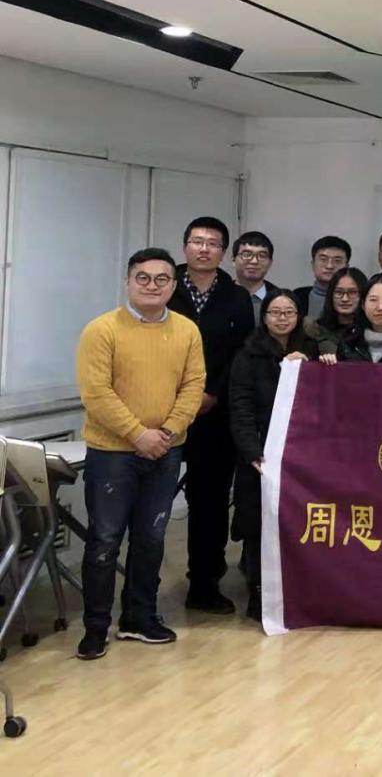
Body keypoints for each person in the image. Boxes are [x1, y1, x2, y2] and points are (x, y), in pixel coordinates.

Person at [74, 248, 205, 659]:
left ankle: (138, 618)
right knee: (104, 541)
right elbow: (96, 393)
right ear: (128, 282)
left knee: (151, 537)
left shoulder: (187, 330)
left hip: (166, 449)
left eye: (161, 279)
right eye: (143, 278)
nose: (152, 285)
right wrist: (137, 434)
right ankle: (96, 626)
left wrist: (166, 432)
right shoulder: (101, 330)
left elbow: (193, 386)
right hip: (112, 453)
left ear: (173, 285)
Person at [166, 216, 254, 616]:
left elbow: (241, 353)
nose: (204, 249)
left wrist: (213, 393)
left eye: (213, 243)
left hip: (214, 413)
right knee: (149, 502)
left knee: (210, 503)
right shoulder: (166, 286)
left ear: (224, 253)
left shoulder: (236, 297)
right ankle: (140, 590)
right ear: (185, 246)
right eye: (197, 241)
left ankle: (203, 584)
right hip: (162, 411)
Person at [227, 289, 317, 621]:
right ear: (264, 317)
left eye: (289, 312)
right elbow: (241, 407)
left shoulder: (311, 351)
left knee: (299, 522)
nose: (282, 318)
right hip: (261, 455)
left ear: (298, 317)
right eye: (275, 312)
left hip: (303, 456)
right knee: (258, 524)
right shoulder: (247, 356)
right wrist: (252, 451)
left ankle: (299, 590)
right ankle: (259, 594)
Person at [304, 266, 367, 358]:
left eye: (352, 293)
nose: (345, 299)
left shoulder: (370, 332)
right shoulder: (315, 330)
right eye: (338, 292)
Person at [293, 235, 351, 321]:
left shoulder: (354, 299)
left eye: (337, 261)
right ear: (313, 264)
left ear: (346, 267)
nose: (329, 266)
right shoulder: (296, 296)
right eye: (323, 259)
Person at [231, 231, 279, 321]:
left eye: (262, 256)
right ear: (233, 260)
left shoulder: (280, 299)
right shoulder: (218, 295)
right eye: (246, 255)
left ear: (270, 263)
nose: (254, 261)